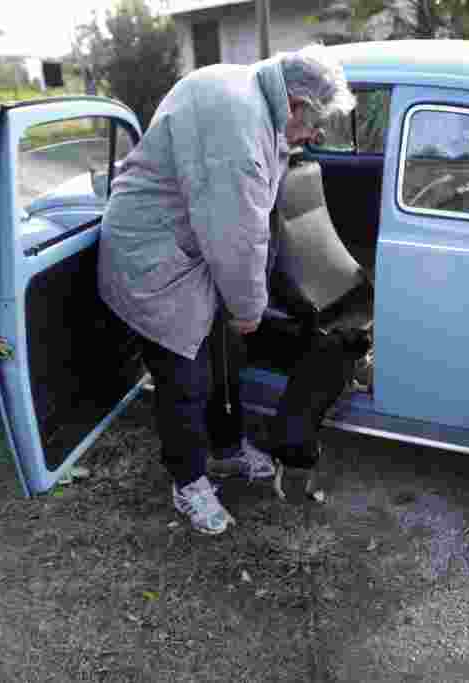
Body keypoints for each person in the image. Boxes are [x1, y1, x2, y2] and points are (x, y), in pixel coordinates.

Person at [97, 45, 356, 535]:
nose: (317, 134)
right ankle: (188, 481)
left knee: (225, 356)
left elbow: (261, 224)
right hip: (154, 258)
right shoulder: (238, 124)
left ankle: (228, 450)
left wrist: (276, 299)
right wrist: (248, 307)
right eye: (316, 121)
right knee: (184, 377)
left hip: (194, 249)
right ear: (297, 102)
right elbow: (236, 237)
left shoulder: (265, 110)